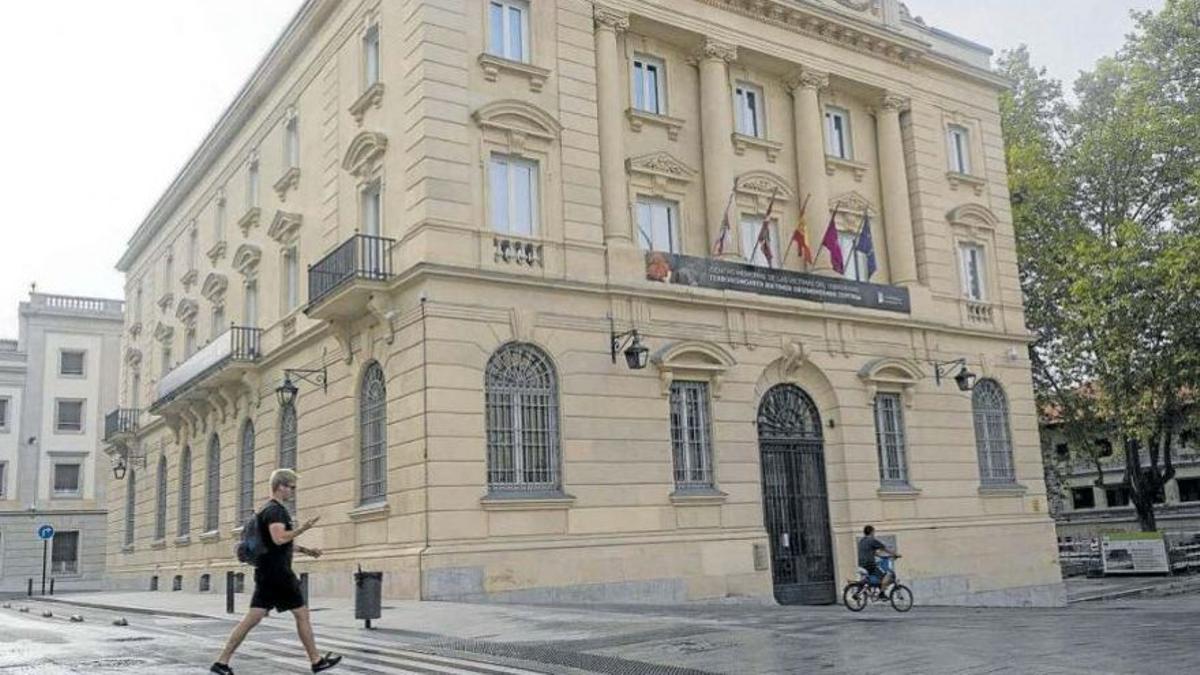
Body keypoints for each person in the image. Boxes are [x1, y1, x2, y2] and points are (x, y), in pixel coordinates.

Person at [211, 469, 342, 674]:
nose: (293, 491)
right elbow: (279, 539)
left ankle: (222, 662)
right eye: (291, 487)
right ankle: (316, 661)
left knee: (253, 618)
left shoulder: (267, 509)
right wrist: (303, 528)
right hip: (278, 574)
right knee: (301, 614)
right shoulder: (275, 511)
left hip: (267, 573)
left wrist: (307, 551)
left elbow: (278, 544)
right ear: (280, 486)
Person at [857, 524, 901, 597]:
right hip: (869, 564)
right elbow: (884, 548)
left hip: (861, 564)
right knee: (887, 575)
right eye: (874, 532)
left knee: (876, 576)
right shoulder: (872, 540)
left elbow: (873, 553)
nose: (874, 533)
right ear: (871, 532)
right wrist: (895, 554)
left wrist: (883, 556)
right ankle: (881, 593)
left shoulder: (862, 541)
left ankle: (866, 584)